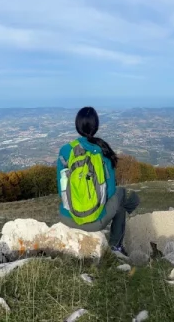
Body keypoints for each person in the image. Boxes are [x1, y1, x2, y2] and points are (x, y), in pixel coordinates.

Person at [57, 106, 139, 257]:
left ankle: (117, 241)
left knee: (119, 204)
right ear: (96, 126)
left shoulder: (65, 151)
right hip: (94, 222)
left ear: (77, 125)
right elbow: (110, 191)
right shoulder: (102, 150)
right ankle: (116, 246)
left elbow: (61, 188)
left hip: (67, 218)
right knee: (124, 198)